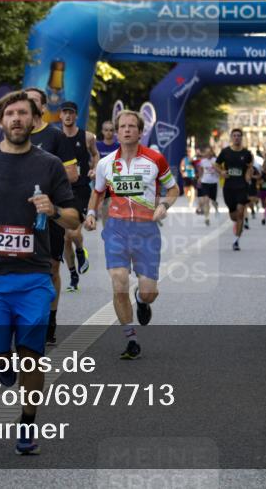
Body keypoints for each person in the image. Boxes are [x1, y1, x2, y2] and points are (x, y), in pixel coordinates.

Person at [0, 90, 79, 455]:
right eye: (11, 114)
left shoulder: (50, 164)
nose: (17, 119)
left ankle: (27, 423)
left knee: (31, 355)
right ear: (1, 121)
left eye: (24, 113)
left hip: (35, 275)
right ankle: (0, 361)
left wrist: (54, 209)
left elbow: (72, 218)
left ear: (35, 117)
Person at [84, 109, 178, 360]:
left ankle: (142, 300)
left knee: (149, 292)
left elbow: (173, 188)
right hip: (116, 228)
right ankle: (131, 338)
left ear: (140, 131)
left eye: (131, 126)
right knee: (118, 281)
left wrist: (164, 205)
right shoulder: (105, 164)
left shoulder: (155, 160)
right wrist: (92, 212)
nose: (126, 130)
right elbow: (98, 192)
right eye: (122, 126)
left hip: (146, 230)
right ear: (117, 132)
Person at [24, 87, 79, 345]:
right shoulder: (13, 134)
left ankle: (50, 318)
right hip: (19, 212)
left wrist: (42, 178)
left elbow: (73, 174)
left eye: (35, 101)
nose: (30, 105)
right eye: (26, 101)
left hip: (49, 212)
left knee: (51, 267)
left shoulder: (55, 137)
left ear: (43, 108)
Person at [58, 101, 99, 292]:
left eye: (71, 113)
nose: (67, 116)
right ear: (60, 116)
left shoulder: (87, 137)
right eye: (64, 113)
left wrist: (95, 169)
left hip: (81, 189)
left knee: (73, 233)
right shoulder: (55, 138)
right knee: (66, 239)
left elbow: (96, 154)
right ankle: (73, 274)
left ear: (76, 116)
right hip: (61, 191)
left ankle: (81, 251)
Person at [216, 128, 253, 251]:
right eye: (234, 135)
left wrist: (248, 174)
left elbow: (250, 166)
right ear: (231, 138)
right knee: (233, 216)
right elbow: (216, 164)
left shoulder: (246, 153)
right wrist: (221, 171)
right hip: (229, 187)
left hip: (242, 186)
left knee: (241, 212)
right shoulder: (225, 152)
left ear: (241, 138)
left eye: (239, 136)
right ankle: (236, 223)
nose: (237, 137)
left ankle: (236, 241)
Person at [195, 145, 220, 225]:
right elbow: (200, 170)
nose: (208, 154)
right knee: (206, 200)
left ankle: (216, 208)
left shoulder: (216, 160)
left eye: (210, 152)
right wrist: (199, 178)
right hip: (205, 182)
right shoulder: (203, 161)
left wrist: (215, 167)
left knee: (213, 201)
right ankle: (207, 218)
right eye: (206, 153)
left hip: (213, 182)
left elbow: (220, 170)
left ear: (212, 153)